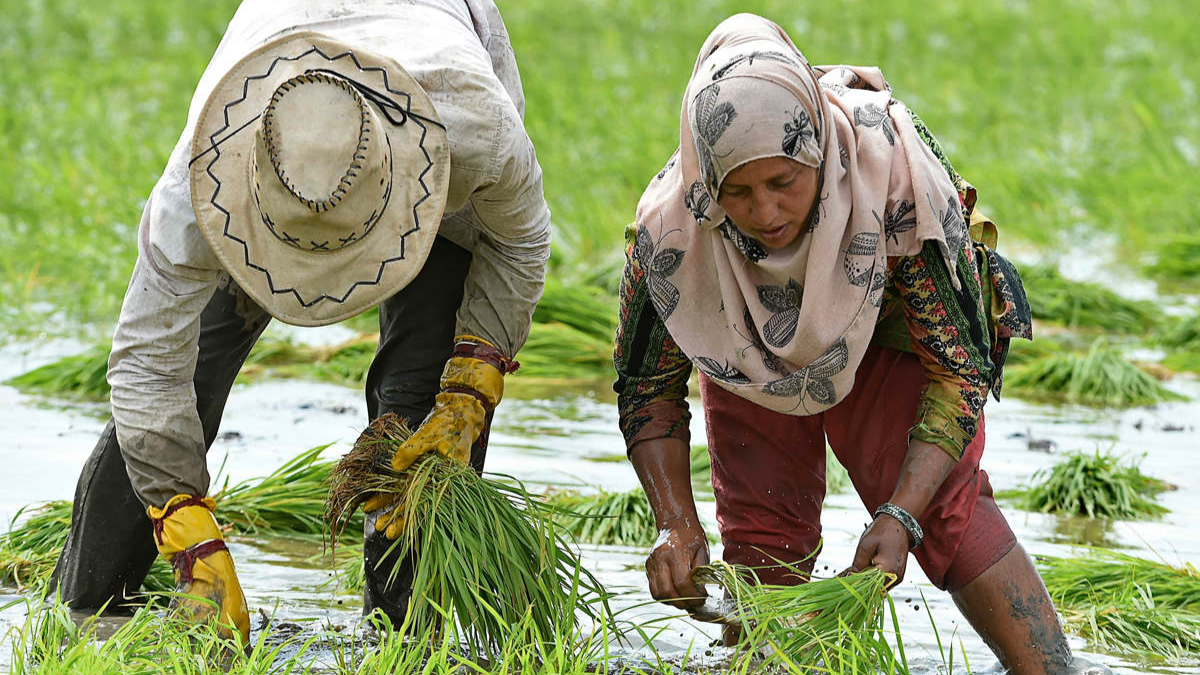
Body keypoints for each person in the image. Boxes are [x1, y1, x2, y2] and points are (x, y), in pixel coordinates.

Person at [49, 0, 550, 643]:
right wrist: (184, 524)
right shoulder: (207, 177)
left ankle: (404, 632)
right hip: (272, 105)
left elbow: (519, 242)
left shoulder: (474, 129)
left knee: (421, 401)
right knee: (191, 370)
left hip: (429, 136)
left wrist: (470, 384)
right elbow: (149, 364)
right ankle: (91, 610)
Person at [614, 14, 1101, 675]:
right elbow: (646, 386)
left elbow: (958, 372)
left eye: (783, 181)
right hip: (748, 348)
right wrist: (676, 521)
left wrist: (901, 512)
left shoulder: (895, 177)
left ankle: (1053, 669)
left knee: (948, 513)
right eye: (739, 191)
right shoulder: (673, 228)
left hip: (890, 332)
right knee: (763, 538)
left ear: (815, 149)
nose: (764, 213)